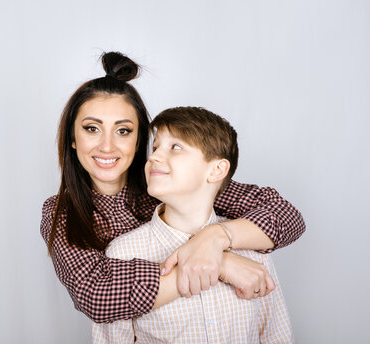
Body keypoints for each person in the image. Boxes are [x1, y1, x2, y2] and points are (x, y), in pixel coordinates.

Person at [40, 51, 305, 323]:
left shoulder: (169, 182)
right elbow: (96, 295)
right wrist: (218, 265)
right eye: (92, 128)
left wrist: (215, 238)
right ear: (72, 138)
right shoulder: (61, 212)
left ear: (139, 139)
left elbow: (286, 216)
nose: (107, 146)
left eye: (123, 131)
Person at [92, 106, 293, 344]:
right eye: (155, 148)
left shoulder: (254, 246)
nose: (154, 157)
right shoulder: (122, 253)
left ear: (216, 170)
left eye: (175, 147)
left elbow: (277, 340)